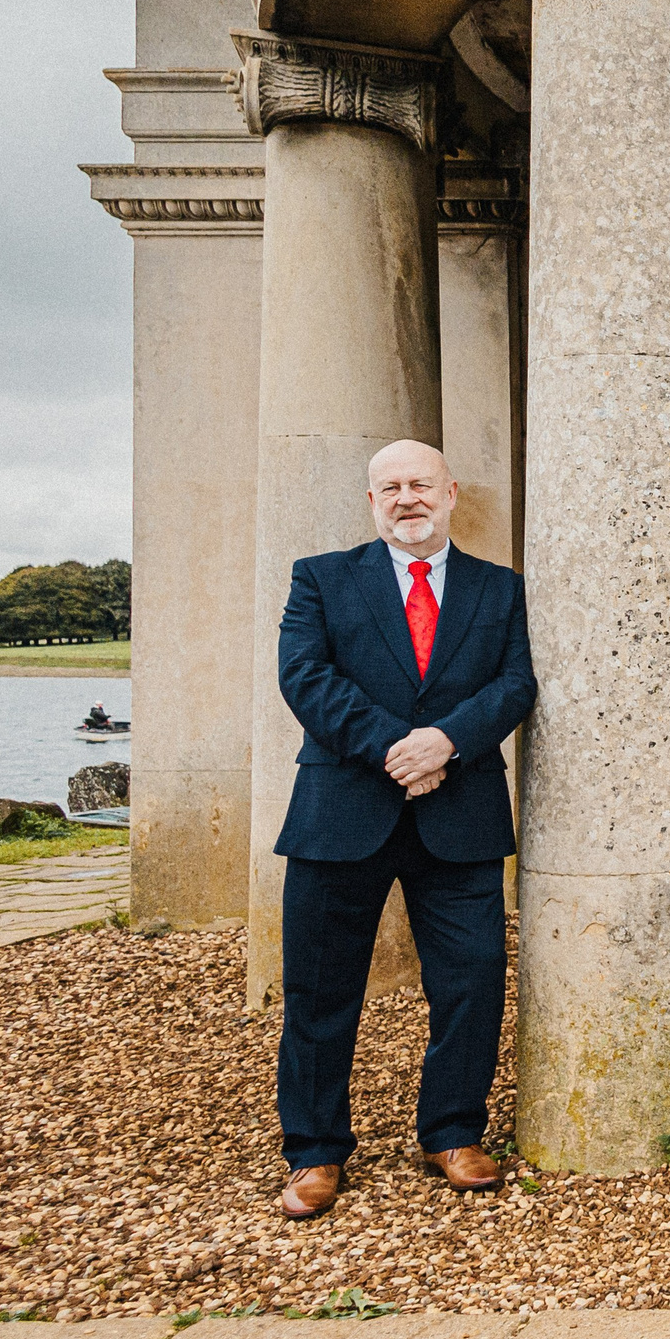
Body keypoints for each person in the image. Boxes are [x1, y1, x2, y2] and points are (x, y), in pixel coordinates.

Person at [271, 439, 535, 1221]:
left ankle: (452, 1131)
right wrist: (401, 748)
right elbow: (305, 677)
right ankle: (315, 1149)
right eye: (389, 487)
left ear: (450, 492)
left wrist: (447, 740)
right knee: (320, 990)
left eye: (420, 482)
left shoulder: (499, 589)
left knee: (473, 980)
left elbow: (516, 682)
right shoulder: (320, 578)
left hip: (460, 814)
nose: (406, 497)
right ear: (371, 501)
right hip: (339, 813)